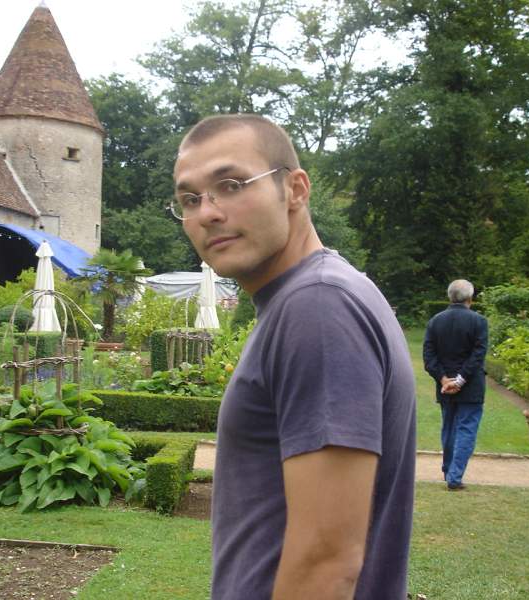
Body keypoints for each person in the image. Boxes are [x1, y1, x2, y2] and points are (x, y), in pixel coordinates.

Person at [172, 114, 416, 600]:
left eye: (231, 185)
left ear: (295, 190)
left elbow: (326, 561)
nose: (207, 213)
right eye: (190, 199)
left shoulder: (318, 306)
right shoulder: (308, 297)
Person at [422, 279, 488, 491]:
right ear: (470, 298)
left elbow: (429, 356)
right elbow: (478, 355)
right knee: (466, 429)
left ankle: (448, 471)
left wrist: (443, 379)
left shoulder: (435, 321)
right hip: (470, 386)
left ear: (450, 297)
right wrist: (460, 379)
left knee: (449, 428)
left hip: (445, 387)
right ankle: (455, 476)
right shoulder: (479, 321)